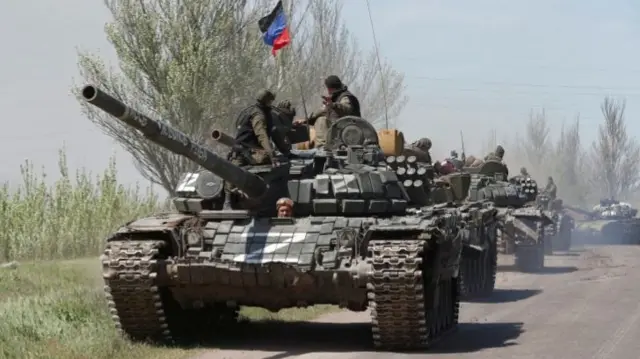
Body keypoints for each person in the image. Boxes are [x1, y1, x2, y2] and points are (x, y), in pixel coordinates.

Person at [223, 89, 286, 209]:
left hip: (250, 149)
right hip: (245, 151)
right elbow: (261, 135)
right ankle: (227, 201)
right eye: (271, 100)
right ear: (268, 101)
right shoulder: (259, 115)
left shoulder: (256, 111)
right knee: (232, 172)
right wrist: (271, 153)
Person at [294, 75, 361, 147]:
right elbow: (321, 112)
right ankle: (323, 147)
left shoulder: (346, 97)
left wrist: (334, 105)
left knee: (321, 121)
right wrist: (305, 120)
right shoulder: (335, 97)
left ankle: (323, 148)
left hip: (349, 131)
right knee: (320, 118)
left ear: (330, 88)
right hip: (339, 130)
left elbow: (347, 109)